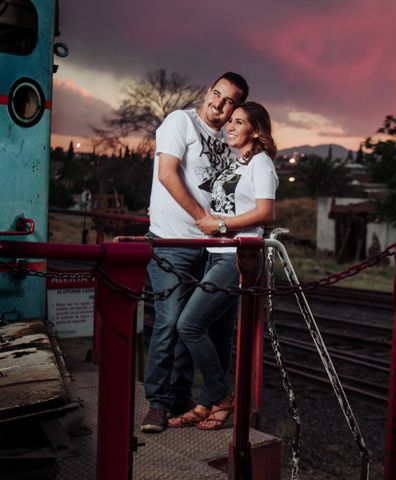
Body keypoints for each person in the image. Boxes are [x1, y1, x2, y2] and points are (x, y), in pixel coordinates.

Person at [141, 72, 249, 433]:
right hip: (172, 242)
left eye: (229, 101)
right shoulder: (180, 121)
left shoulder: (228, 142)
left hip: (211, 249)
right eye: (216, 94)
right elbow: (167, 174)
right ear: (208, 91)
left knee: (193, 326)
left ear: (236, 107)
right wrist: (203, 217)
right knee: (170, 321)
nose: (218, 104)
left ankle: (180, 399)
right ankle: (156, 404)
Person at [167, 102, 278, 430]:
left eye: (239, 122)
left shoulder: (261, 163)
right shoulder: (236, 164)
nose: (230, 126)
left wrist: (221, 226)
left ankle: (220, 396)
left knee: (188, 325)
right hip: (217, 254)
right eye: (230, 121)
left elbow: (265, 212)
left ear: (255, 131)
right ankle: (206, 404)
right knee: (217, 336)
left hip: (238, 258)